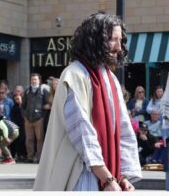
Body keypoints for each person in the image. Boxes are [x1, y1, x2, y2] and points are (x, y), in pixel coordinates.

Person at [34, 12, 142, 191]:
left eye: (120, 40)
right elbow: (82, 132)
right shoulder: (74, 75)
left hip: (107, 175)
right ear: (96, 40)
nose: (119, 47)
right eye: (113, 40)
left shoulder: (110, 78)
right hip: (80, 174)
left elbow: (123, 129)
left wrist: (122, 175)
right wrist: (107, 178)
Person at [22, 73, 49, 163]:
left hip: (39, 119)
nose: (33, 81)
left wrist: (42, 116)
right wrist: (25, 116)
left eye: (35, 79)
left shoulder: (43, 91)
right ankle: (30, 157)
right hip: (28, 119)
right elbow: (23, 106)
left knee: (40, 139)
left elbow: (47, 105)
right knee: (29, 139)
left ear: (39, 80)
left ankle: (39, 157)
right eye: (32, 79)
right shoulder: (27, 91)